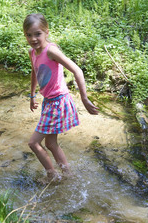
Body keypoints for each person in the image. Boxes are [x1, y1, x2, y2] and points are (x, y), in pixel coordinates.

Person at [23, 13, 99, 182]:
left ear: (46, 32)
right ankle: (68, 175)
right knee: (50, 144)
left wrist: (84, 99)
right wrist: (32, 94)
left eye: (37, 34)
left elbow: (77, 70)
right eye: (29, 35)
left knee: (33, 143)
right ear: (25, 35)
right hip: (49, 103)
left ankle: (51, 174)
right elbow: (35, 72)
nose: (33, 39)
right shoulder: (32, 52)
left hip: (58, 102)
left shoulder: (51, 51)